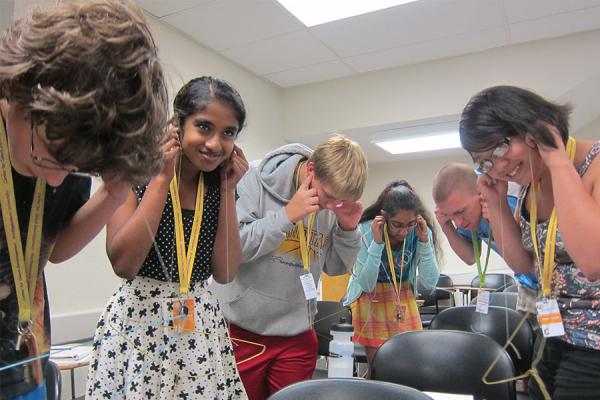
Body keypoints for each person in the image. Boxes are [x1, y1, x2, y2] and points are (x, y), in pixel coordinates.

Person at [0, 1, 168, 399]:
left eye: (76, 169)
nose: (58, 177)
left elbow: (53, 250)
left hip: (24, 362)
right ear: (20, 93)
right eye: (49, 156)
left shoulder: (73, 143)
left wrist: (115, 190)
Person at [86, 77, 249, 399]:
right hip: (139, 323)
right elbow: (123, 264)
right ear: (177, 125)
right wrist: (162, 177)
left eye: (228, 133)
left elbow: (226, 272)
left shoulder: (218, 187)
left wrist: (228, 190)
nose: (215, 144)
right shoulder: (137, 174)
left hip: (198, 327)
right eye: (204, 127)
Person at [459, 85, 600, 400]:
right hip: (552, 336)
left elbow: (593, 261)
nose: (498, 168)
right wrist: (495, 205)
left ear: (531, 126)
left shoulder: (594, 165)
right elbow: (527, 266)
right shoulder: (529, 187)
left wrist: (557, 159)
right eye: (484, 163)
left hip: (594, 345)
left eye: (499, 149)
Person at [211, 134, 367, 399]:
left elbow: (334, 267)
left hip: (297, 334)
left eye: (338, 202)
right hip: (242, 330)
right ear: (310, 170)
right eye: (327, 197)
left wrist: (347, 229)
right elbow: (233, 250)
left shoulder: (333, 206)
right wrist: (286, 216)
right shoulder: (254, 178)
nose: (329, 207)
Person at [344, 180, 440, 372]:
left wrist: (423, 242)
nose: (404, 232)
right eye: (397, 225)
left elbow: (430, 282)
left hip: (402, 297)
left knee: (409, 366)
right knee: (380, 368)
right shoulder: (366, 230)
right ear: (384, 218)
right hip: (370, 299)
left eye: (410, 224)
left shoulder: (420, 231)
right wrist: (377, 244)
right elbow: (366, 284)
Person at [432, 163, 538, 322]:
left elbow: (528, 256)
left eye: (460, 212)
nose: (459, 222)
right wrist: (446, 226)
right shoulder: (470, 217)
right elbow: (470, 257)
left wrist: (497, 217)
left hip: (555, 283)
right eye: (450, 216)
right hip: (527, 285)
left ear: (481, 193)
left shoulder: (510, 202)